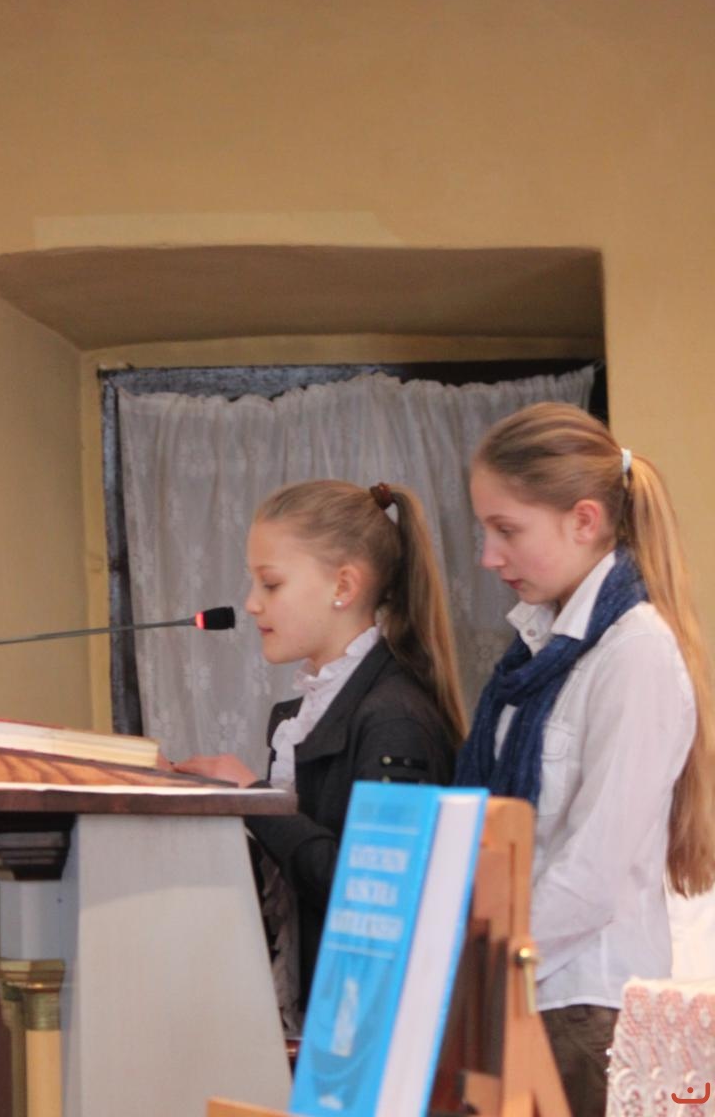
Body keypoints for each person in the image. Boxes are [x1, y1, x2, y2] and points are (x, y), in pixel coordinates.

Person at [455, 402, 715, 1117]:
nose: (488, 556)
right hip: (532, 996)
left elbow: (592, 873)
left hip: (586, 1011)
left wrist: (474, 958)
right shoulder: (541, 652)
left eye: (507, 530)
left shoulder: (635, 652)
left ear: (585, 520)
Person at [175, 478, 467, 1030]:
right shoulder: (307, 713)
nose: (251, 603)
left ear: (344, 585)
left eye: (271, 583)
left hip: (374, 1022)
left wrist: (255, 800)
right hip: (327, 1011)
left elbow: (373, 895)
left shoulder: (394, 717)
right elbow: (294, 873)